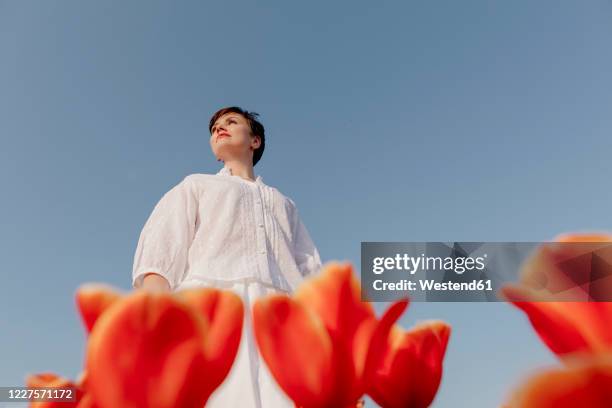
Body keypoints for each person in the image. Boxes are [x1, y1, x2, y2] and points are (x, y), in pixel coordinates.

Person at [131, 106, 322, 407]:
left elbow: (309, 267)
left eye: (231, 122)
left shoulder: (285, 204)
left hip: (281, 319)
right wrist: (158, 317)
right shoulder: (197, 185)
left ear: (254, 141)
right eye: (214, 127)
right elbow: (162, 248)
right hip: (212, 310)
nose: (220, 128)